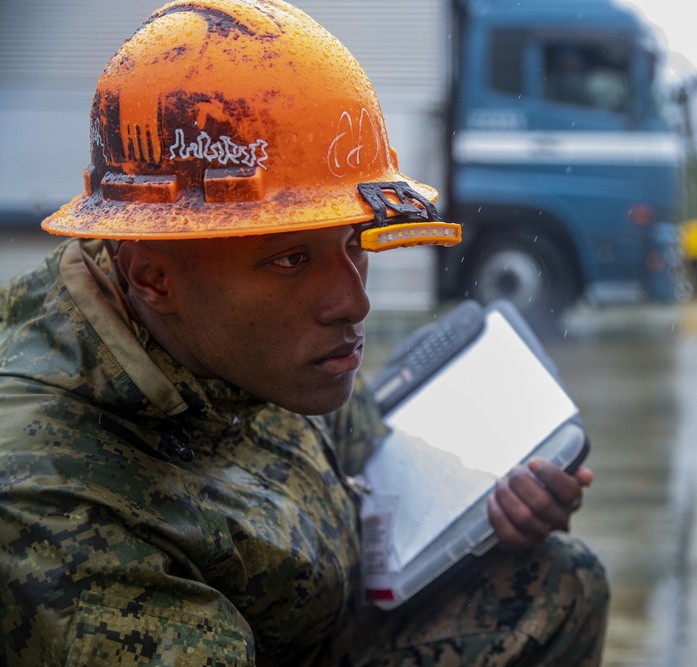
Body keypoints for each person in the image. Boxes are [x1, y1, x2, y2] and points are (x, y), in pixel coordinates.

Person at [0, 1, 609, 665]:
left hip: (328, 619)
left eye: (355, 241)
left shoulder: (227, 334)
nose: (352, 299)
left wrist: (490, 509)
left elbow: (358, 434)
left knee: (556, 579)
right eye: (291, 258)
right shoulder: (55, 501)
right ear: (154, 278)